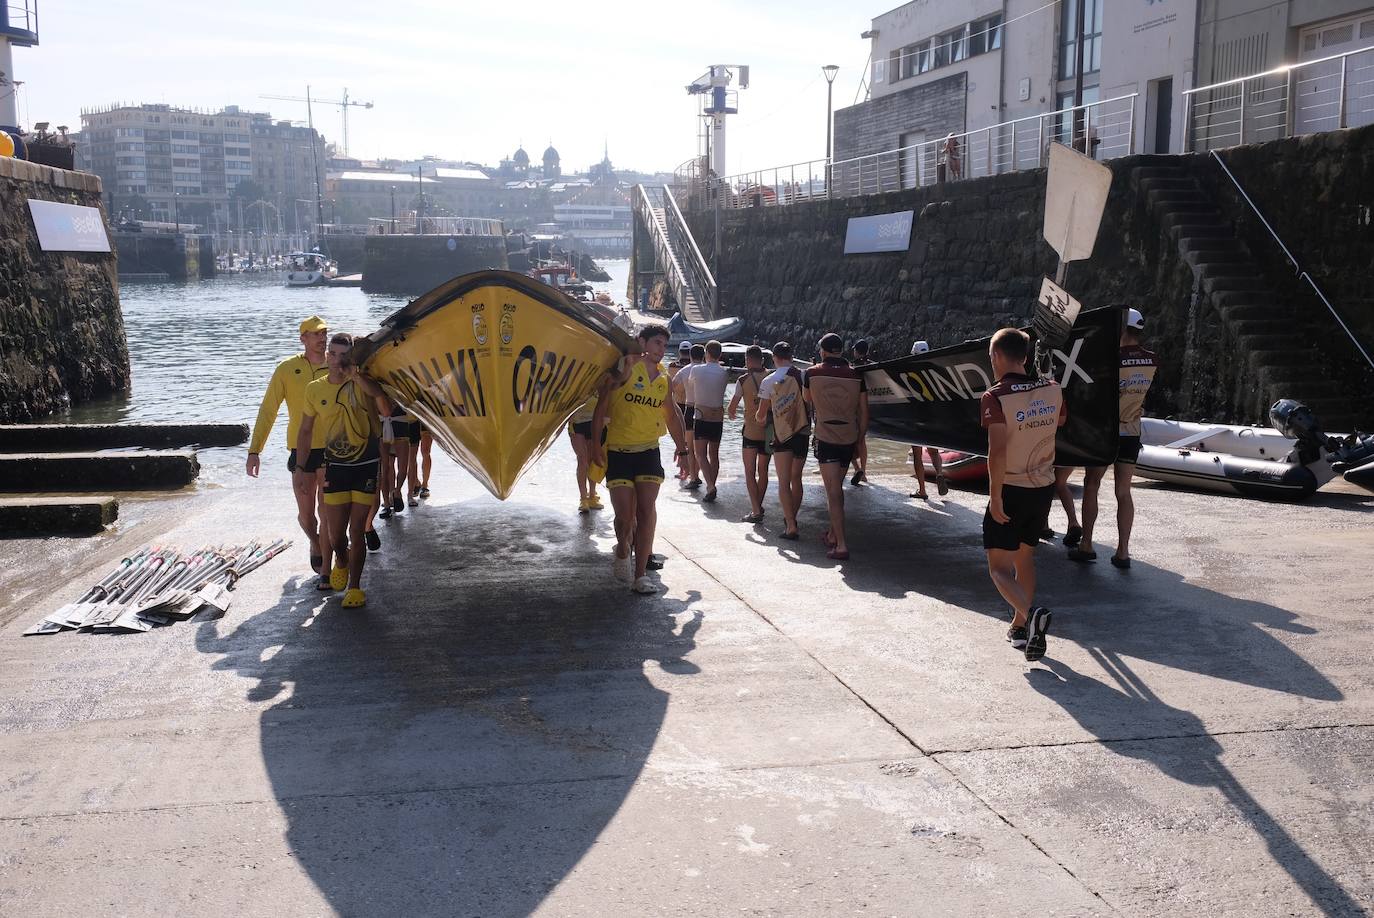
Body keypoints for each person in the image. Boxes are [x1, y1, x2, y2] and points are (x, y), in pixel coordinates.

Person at [981, 327, 1066, 662]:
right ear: (1026, 357)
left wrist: (995, 496)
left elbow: (997, 451)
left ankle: (1031, 615)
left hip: (1012, 489)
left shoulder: (995, 396)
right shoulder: (1053, 389)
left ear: (997, 356)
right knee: (1024, 558)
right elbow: (1060, 421)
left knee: (998, 568)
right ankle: (1019, 628)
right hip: (1043, 488)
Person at [591, 323, 689, 594]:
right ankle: (623, 548)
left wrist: (683, 450)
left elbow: (671, 415)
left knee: (646, 511)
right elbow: (601, 407)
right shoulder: (624, 369)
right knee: (624, 518)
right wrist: (595, 446)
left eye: (664, 345)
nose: (661, 349)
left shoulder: (663, 377)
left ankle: (640, 576)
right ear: (642, 343)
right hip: (619, 451)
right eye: (657, 342)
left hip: (648, 451)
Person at [296, 332, 386, 608]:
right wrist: (300, 468)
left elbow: (385, 408)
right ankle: (342, 560)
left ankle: (355, 588)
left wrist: (357, 376)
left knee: (357, 530)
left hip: (366, 465)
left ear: (351, 358)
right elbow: (306, 430)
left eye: (344, 355)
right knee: (336, 536)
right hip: (335, 467)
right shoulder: (315, 389)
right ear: (326, 356)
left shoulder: (363, 383)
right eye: (333, 354)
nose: (337, 360)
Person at [1067, 308, 1157, 569]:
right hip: (1132, 431)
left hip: (1105, 431)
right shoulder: (1152, 360)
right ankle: (1123, 552)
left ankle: (1087, 544)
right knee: (1123, 491)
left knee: (1092, 483)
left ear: (1121, 329)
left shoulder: (1111, 360)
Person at [246, 315, 331, 575]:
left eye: (324, 333)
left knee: (327, 511)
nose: (322, 338)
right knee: (306, 515)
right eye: (315, 333)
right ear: (303, 338)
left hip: (332, 448)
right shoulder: (286, 368)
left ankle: (327, 559)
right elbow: (268, 410)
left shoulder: (336, 365)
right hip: (300, 450)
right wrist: (254, 450)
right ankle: (316, 542)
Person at [804, 333, 868, 560]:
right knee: (836, 488)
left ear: (823, 351)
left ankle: (841, 545)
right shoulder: (856, 375)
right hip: (848, 437)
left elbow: (806, 400)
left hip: (826, 436)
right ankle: (832, 534)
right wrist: (859, 439)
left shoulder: (812, 373)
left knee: (833, 491)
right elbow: (864, 413)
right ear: (841, 350)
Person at [756, 341, 810, 541]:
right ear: (792, 357)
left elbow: (761, 414)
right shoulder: (803, 375)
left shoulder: (768, 380)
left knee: (783, 481)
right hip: (803, 431)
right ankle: (791, 518)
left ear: (774, 358)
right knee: (797, 478)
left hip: (782, 435)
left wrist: (760, 420)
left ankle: (791, 525)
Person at [728, 345, 771, 523]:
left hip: (751, 432)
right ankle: (758, 505)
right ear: (762, 360)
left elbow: (731, 408)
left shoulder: (743, 380)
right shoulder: (772, 377)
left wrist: (733, 414)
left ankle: (755, 510)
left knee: (749, 471)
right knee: (763, 471)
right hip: (769, 431)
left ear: (747, 360)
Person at [906, 340, 950, 499]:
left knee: (917, 455)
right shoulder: (936, 370)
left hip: (916, 417)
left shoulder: (908, 373)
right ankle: (939, 473)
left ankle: (922, 490)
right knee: (934, 451)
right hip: (932, 416)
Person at [686, 340, 729, 502]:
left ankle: (710, 486)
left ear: (706, 353)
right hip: (717, 416)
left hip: (701, 415)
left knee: (700, 454)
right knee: (714, 454)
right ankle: (712, 485)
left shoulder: (696, 370)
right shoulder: (724, 373)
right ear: (720, 355)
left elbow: (691, 383)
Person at [568, 392, 604, 513]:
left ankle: (592, 495)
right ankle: (583, 498)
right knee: (582, 459)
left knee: (592, 459)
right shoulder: (577, 384)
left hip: (594, 422)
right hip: (576, 423)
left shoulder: (600, 384)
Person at [667, 341, 698, 485]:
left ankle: (683, 470)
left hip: (678, 404)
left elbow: (670, 386)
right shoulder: (696, 368)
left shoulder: (672, 366)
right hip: (692, 404)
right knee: (692, 443)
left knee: (680, 440)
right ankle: (693, 471)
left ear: (680, 352)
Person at [378, 398, 412, 520]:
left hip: (392, 422)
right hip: (393, 423)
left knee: (391, 467)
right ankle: (392, 497)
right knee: (388, 467)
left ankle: (392, 497)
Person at [848, 338, 873, 486]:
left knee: (848, 440)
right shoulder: (872, 366)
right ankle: (863, 471)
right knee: (862, 441)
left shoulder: (853, 368)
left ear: (856, 351)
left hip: (854, 407)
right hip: (869, 407)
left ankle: (857, 468)